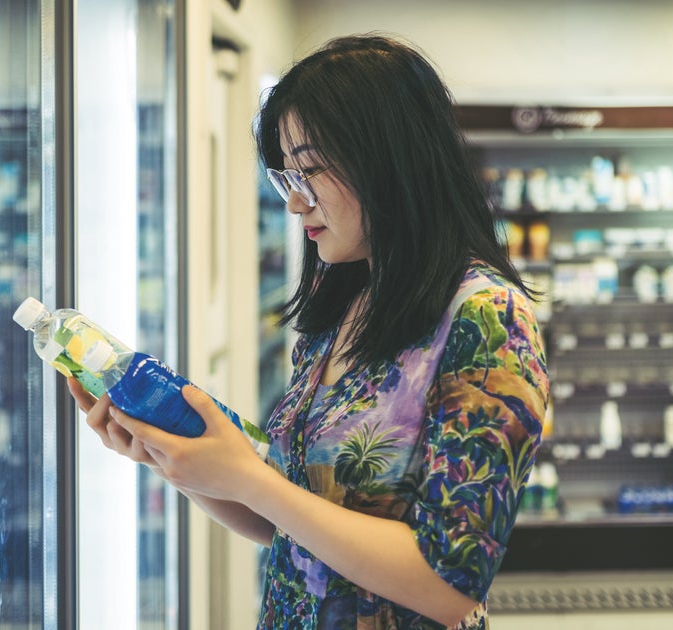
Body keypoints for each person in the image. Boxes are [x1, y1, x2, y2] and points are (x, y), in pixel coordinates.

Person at [69, 33, 549, 630]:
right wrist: (178, 461)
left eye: (311, 172)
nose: (295, 204)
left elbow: (449, 583)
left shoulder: (486, 317)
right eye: (285, 175)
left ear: (389, 159)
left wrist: (249, 478)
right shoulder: (345, 299)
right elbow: (289, 524)